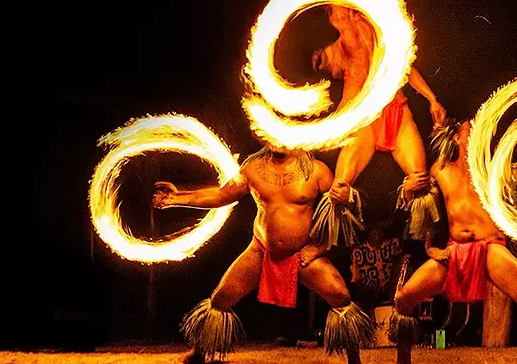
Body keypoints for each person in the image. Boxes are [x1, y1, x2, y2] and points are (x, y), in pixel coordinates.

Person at [152, 145, 374, 364]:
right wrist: (176, 198)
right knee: (221, 297)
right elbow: (222, 195)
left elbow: (341, 214)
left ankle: (355, 360)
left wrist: (320, 245)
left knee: (341, 297)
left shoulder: (316, 171)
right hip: (260, 250)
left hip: (302, 254)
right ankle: (198, 354)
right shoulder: (253, 169)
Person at [389, 118, 517, 364]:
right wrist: (429, 245)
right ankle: (403, 362)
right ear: (457, 137)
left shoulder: (493, 172)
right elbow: (424, 212)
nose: (478, 131)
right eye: (471, 128)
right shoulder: (440, 170)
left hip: (490, 250)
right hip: (454, 252)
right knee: (404, 299)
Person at [310, 2, 448, 249]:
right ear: (332, 19)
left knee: (420, 179)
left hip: (396, 110)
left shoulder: (382, 35)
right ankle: (324, 247)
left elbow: (407, 69)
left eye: (346, 8)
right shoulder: (335, 51)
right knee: (339, 188)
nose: (343, 14)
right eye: (336, 12)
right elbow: (329, 71)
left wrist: (432, 98)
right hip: (364, 121)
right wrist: (320, 61)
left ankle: (428, 247)